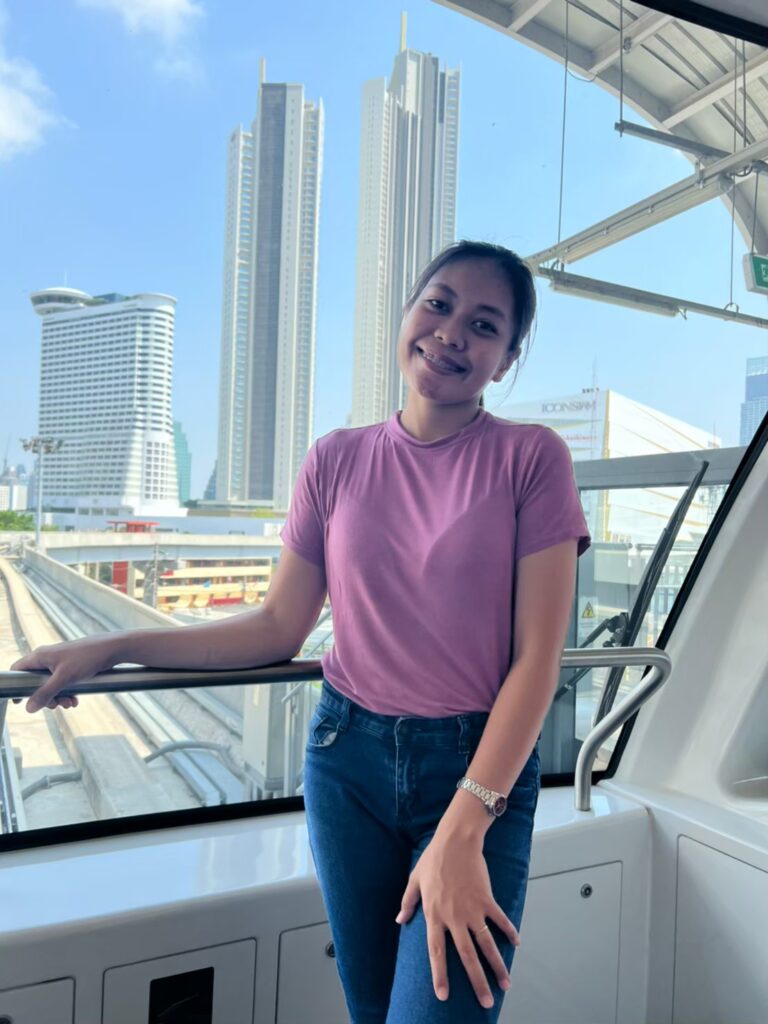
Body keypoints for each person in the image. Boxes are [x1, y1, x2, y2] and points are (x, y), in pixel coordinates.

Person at [13, 240, 590, 1023]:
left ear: (507, 358)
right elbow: (278, 627)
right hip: (347, 763)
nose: (452, 333)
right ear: (408, 312)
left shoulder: (530, 458)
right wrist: (110, 649)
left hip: (475, 771)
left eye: (484, 325)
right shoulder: (335, 459)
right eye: (439, 304)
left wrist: (464, 826)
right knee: (370, 1009)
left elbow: (537, 661)